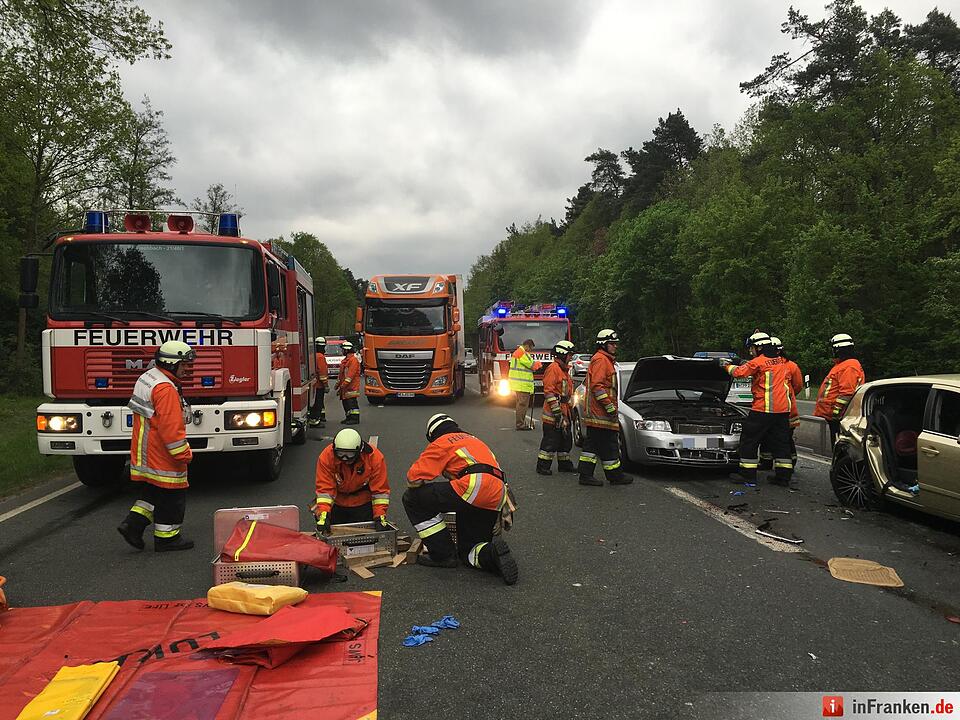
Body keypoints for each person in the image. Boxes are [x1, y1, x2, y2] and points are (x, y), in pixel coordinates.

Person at [402, 413, 518, 585]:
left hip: (473, 488)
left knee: (412, 499)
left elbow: (414, 479)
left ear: (432, 435)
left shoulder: (442, 442)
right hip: (497, 494)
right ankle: (491, 553)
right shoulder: (474, 440)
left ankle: (442, 554)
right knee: (470, 550)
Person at [117, 340, 196, 552]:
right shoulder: (165, 389)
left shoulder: (148, 377)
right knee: (172, 497)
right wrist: (183, 454)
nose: (188, 369)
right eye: (185, 364)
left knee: (152, 493)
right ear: (171, 364)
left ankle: (132, 525)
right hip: (163, 452)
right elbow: (171, 428)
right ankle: (167, 539)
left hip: (145, 449)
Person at [721, 332, 795, 486]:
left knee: (749, 440)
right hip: (782, 411)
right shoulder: (780, 361)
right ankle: (783, 477)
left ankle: (748, 475)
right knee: (781, 443)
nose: (751, 351)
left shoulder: (759, 362)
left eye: (752, 348)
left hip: (763, 409)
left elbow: (739, 372)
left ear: (759, 347)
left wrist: (726, 365)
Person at [577, 329, 631, 486]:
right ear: (603, 345)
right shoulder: (601, 360)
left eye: (615, 344)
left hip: (600, 414)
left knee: (600, 445)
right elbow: (597, 387)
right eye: (612, 344)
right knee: (602, 445)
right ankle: (605, 476)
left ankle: (608, 475)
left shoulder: (605, 360)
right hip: (600, 414)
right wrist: (609, 408)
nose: (615, 347)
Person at [314, 428, 390, 533]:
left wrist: (379, 516)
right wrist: (323, 515)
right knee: (333, 536)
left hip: (363, 504)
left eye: (349, 454)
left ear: (359, 451)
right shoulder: (327, 457)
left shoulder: (374, 458)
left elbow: (380, 492)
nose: (345, 458)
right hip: (338, 503)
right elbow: (325, 490)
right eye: (340, 454)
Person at [759, 337, 804, 485]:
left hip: (786, 411)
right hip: (772, 409)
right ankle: (769, 462)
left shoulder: (790, 366)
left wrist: (786, 397)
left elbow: (797, 386)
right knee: (769, 437)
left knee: (785, 440)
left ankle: (788, 466)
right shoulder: (769, 363)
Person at [814, 333, 865, 445]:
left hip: (839, 416)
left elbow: (847, 393)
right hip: (836, 415)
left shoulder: (849, 366)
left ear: (838, 350)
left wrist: (836, 412)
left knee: (840, 444)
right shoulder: (844, 365)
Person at [537, 340, 577, 475]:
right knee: (551, 442)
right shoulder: (553, 369)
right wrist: (557, 413)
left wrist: (570, 410)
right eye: (569, 354)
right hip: (553, 415)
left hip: (565, 411)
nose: (571, 357)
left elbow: (567, 393)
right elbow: (549, 392)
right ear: (562, 354)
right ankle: (543, 466)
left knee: (565, 441)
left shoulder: (565, 370)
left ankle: (564, 464)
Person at [509, 339, 541, 430]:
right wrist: (538, 364)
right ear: (527, 345)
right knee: (522, 405)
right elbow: (532, 365)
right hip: (522, 384)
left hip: (520, 383)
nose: (531, 350)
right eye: (531, 348)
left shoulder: (520, 352)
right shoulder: (521, 353)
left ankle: (521, 423)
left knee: (521, 404)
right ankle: (520, 424)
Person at [336, 340, 361, 424]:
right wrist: (338, 384)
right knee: (346, 403)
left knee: (352, 404)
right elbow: (342, 374)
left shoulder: (353, 360)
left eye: (343, 350)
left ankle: (354, 419)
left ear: (346, 350)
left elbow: (350, 376)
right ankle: (348, 417)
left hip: (351, 387)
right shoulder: (346, 360)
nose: (342, 351)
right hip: (346, 387)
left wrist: (342, 386)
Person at [308, 337, 329, 428]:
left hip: (313, 384)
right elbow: (322, 372)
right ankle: (315, 421)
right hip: (319, 385)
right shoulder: (320, 357)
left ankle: (315, 418)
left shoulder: (312, 355)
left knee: (314, 403)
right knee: (318, 403)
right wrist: (326, 385)